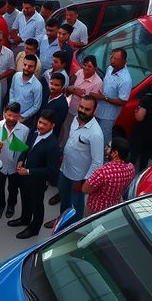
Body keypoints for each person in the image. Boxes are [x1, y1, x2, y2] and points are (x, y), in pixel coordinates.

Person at [48, 95, 104, 228]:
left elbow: (97, 163)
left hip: (78, 179)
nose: (82, 111)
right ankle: (61, 223)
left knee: (77, 208)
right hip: (64, 169)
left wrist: (84, 181)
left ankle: (73, 230)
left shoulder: (96, 134)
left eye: (87, 109)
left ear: (94, 111)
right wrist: (63, 155)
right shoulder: (75, 119)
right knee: (64, 199)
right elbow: (71, 139)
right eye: (81, 107)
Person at [8, 110, 59, 239]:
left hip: (37, 181)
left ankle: (34, 229)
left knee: (37, 205)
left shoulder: (53, 145)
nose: (40, 126)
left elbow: (51, 170)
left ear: (52, 125)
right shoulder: (35, 133)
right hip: (25, 177)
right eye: (40, 122)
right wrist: (20, 160)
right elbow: (26, 148)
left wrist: (29, 171)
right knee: (25, 199)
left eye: (45, 124)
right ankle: (24, 219)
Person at [0, 102, 29, 220]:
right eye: (9, 115)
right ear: (4, 113)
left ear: (19, 116)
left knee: (13, 189)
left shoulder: (25, 130)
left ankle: (11, 205)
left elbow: (25, 149)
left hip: (15, 167)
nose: (11, 118)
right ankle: (0, 206)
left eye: (15, 116)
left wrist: (21, 162)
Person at [83, 137, 136, 215]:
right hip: (113, 208)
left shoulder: (103, 171)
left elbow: (85, 189)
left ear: (115, 153)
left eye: (108, 147)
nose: (106, 148)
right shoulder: (131, 168)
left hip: (95, 209)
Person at [92, 47, 132, 142]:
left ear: (124, 61)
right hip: (98, 109)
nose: (112, 61)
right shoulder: (110, 68)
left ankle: (104, 156)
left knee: (103, 138)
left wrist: (104, 98)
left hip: (108, 115)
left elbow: (122, 101)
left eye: (116, 59)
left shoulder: (126, 80)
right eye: (112, 58)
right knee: (93, 134)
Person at [9, 54, 42, 128]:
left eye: (30, 66)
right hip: (11, 113)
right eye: (25, 65)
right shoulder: (16, 76)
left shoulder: (37, 86)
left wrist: (23, 116)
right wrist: (11, 105)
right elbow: (12, 90)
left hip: (24, 120)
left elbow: (36, 106)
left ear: (35, 68)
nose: (26, 68)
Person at [41, 72, 69, 140]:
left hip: (49, 137)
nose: (52, 87)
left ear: (62, 87)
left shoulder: (63, 104)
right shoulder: (45, 94)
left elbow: (56, 124)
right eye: (51, 83)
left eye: (56, 85)